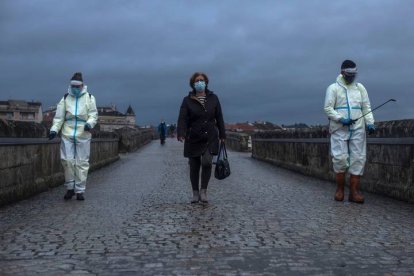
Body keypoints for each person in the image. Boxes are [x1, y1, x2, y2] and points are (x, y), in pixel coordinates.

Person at [324, 60, 375, 204]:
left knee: (358, 159)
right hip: (339, 129)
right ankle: (340, 190)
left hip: (358, 128)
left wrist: (370, 123)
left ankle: (354, 193)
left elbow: (366, 107)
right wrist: (341, 119)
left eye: (354, 74)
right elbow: (328, 109)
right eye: (349, 74)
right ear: (342, 73)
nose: (352, 77)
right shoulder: (333, 88)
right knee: (340, 158)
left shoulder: (360, 88)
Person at [177, 72, 226, 203]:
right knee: (194, 166)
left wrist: (222, 134)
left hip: (210, 136)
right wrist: (181, 132)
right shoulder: (187, 100)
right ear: (193, 84)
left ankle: (204, 190)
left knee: (207, 162)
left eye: (202, 80)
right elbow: (182, 118)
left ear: (206, 82)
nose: (200, 82)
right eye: (197, 80)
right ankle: (195, 192)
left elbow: (219, 116)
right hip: (193, 136)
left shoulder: (213, 98)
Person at [49, 72, 98, 201]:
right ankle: (70, 188)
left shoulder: (90, 97)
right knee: (67, 160)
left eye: (78, 86)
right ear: (70, 86)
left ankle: (80, 190)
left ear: (82, 86)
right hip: (67, 131)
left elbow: (93, 114)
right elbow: (59, 117)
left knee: (82, 162)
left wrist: (89, 123)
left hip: (83, 132)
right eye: (73, 86)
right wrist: (54, 129)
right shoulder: (65, 98)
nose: (75, 89)